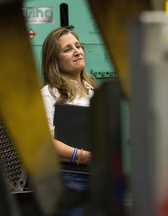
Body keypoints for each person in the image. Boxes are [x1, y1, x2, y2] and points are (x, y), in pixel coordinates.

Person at [40, 26, 99, 215]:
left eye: (78, 46)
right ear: (54, 61)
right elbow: (45, 144)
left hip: (101, 177)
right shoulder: (49, 93)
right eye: (67, 49)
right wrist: (82, 156)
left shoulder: (95, 92)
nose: (77, 51)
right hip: (72, 178)